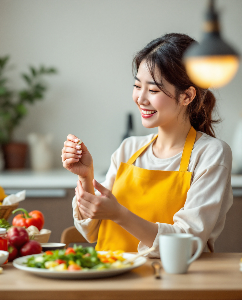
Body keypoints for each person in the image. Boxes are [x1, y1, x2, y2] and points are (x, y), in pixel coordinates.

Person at [61, 33, 233, 257]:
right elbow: (91, 232)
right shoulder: (129, 149)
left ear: (187, 96)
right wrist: (86, 177)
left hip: (172, 285)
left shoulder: (211, 154)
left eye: (152, 90)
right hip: (112, 279)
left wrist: (120, 214)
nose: (140, 98)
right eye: (137, 86)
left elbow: (187, 242)